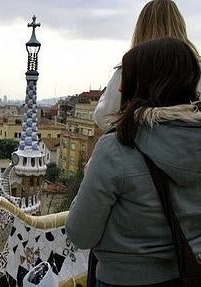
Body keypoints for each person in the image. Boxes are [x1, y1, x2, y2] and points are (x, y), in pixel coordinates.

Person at [66, 37, 201, 286]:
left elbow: (80, 233)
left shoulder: (117, 148)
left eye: (127, 78)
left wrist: (89, 176)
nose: (119, 88)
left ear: (146, 83)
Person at [93, 0, 201, 130]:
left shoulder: (129, 69)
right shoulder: (196, 68)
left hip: (138, 145)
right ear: (180, 25)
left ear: (141, 29)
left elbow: (103, 117)